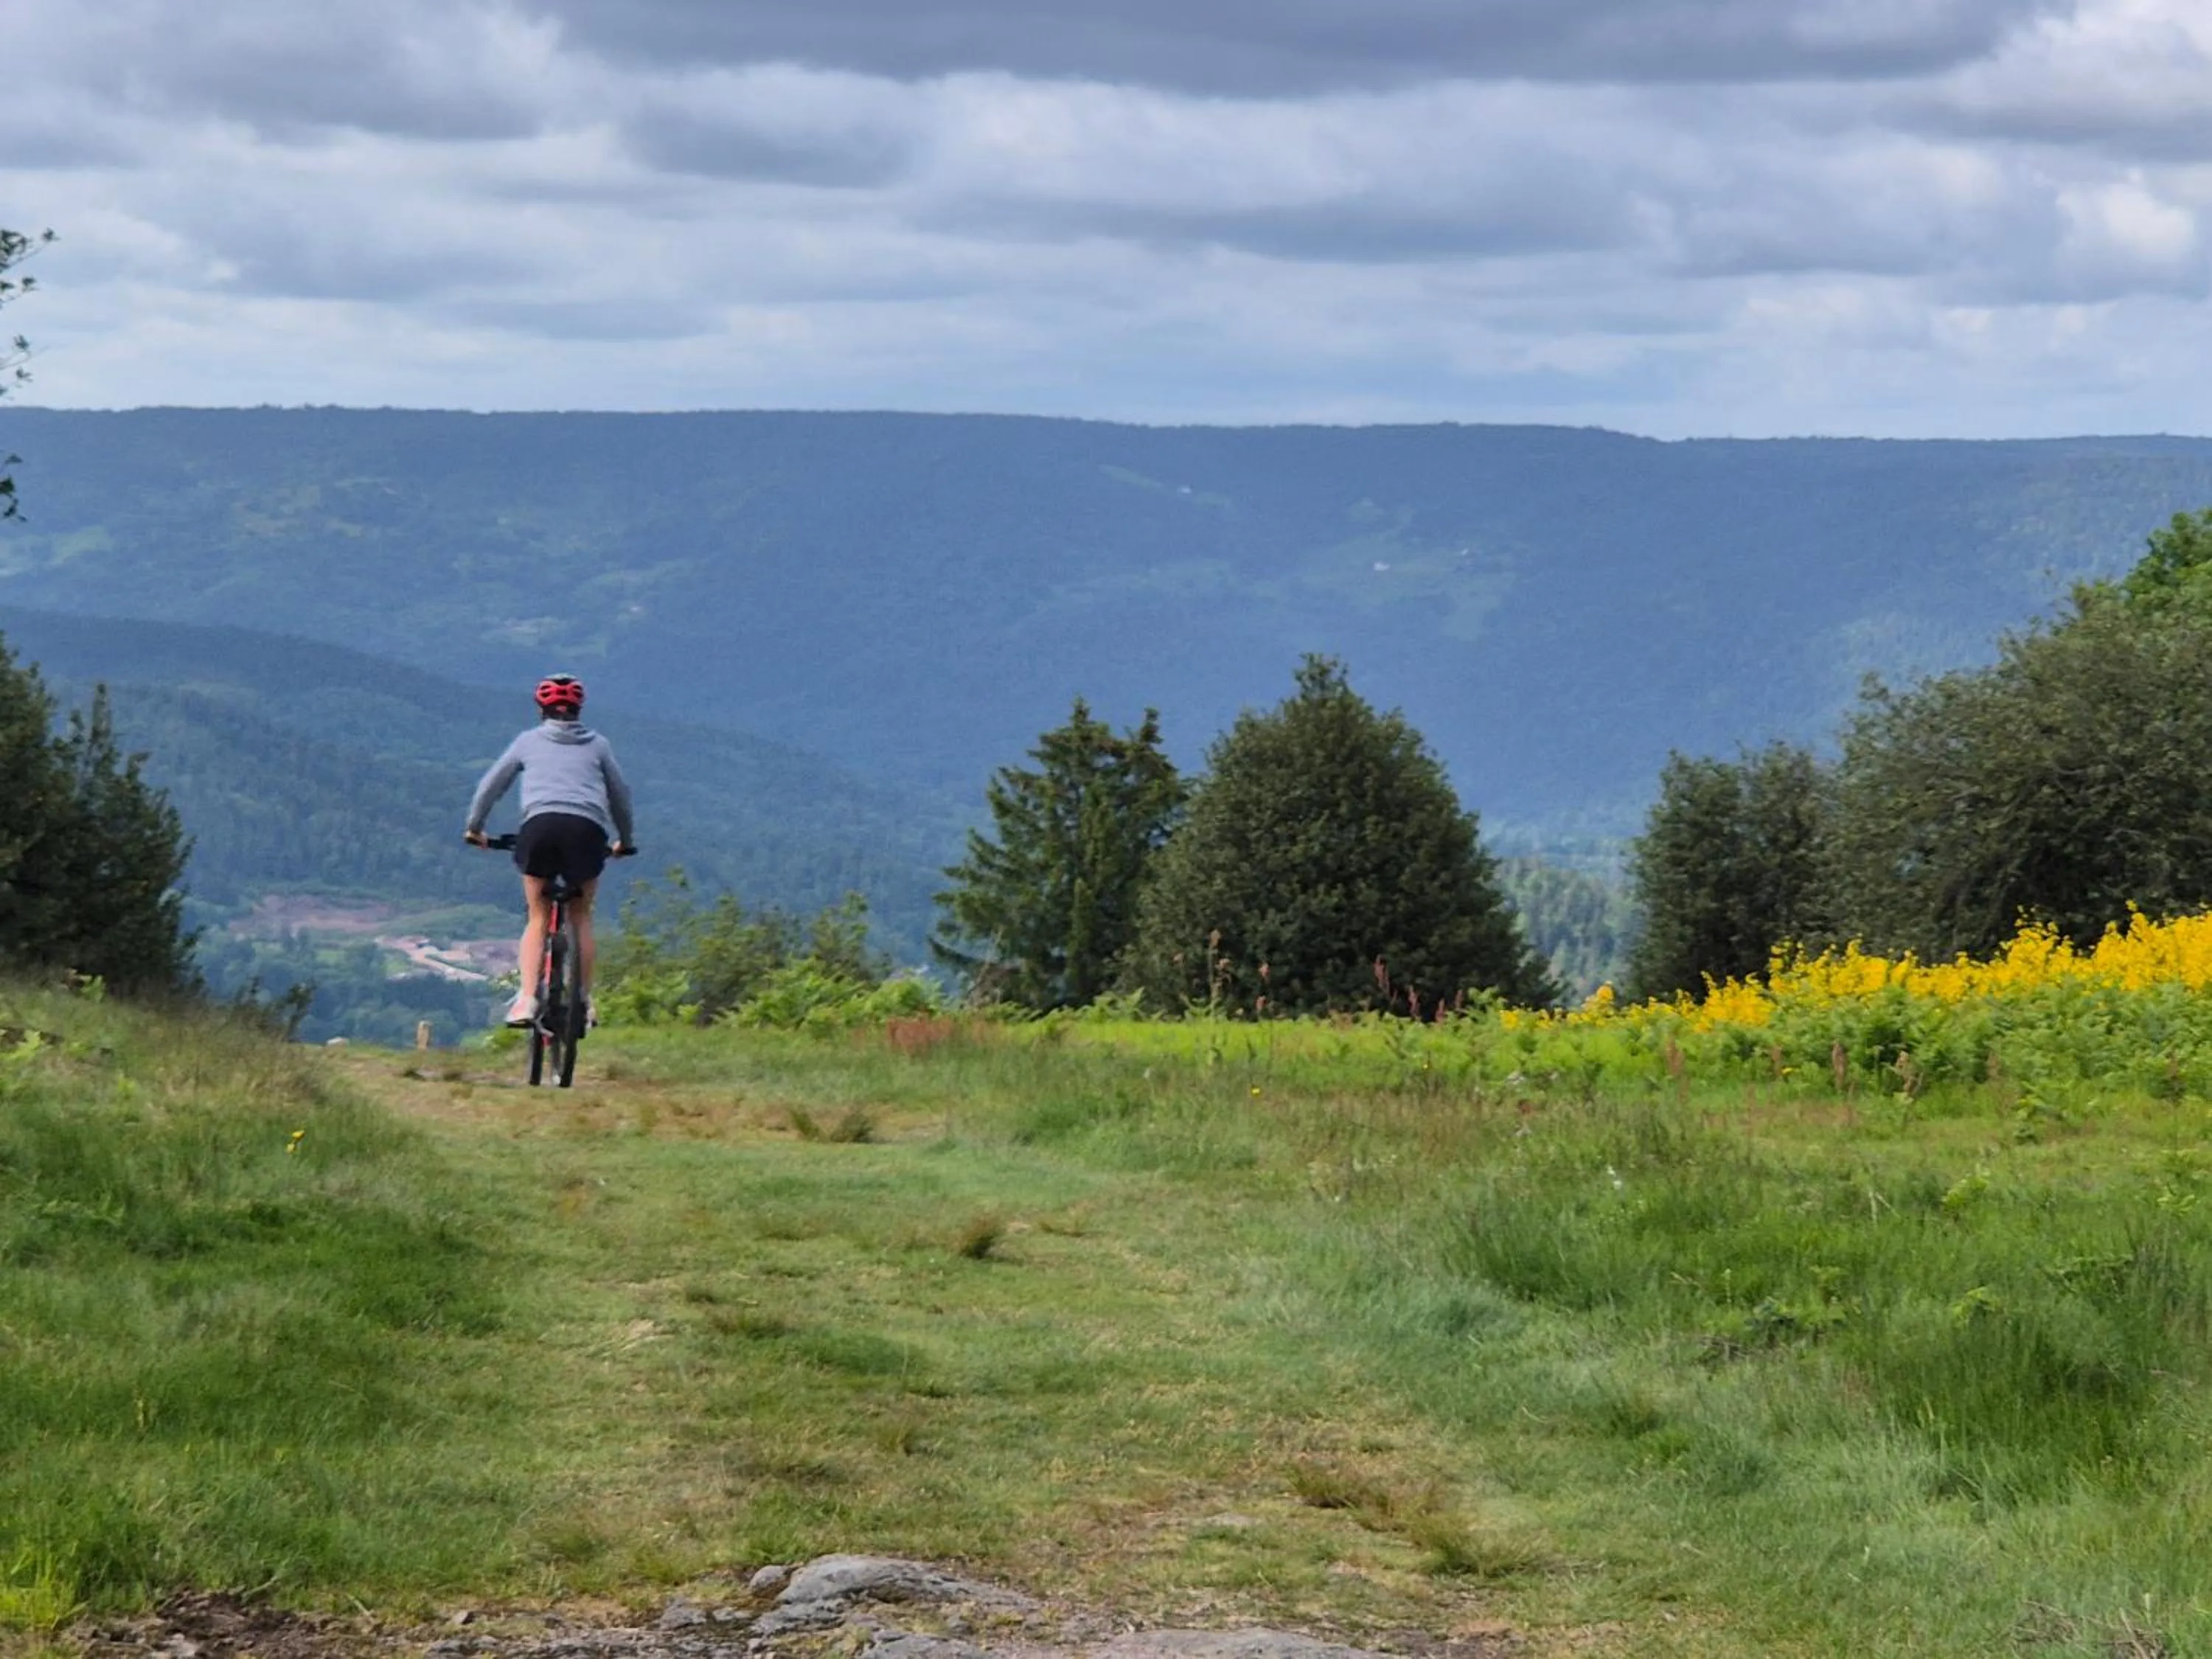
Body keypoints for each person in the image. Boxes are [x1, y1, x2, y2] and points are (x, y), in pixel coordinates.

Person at [464, 673, 635, 1026]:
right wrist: (625, 840)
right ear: (578, 709)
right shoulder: (599, 745)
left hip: (539, 828)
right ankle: (584, 1003)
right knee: (581, 915)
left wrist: (475, 827)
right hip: (587, 831)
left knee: (538, 915)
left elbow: (491, 786)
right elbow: (621, 797)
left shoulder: (527, 742)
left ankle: (526, 1001)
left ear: (541, 708)